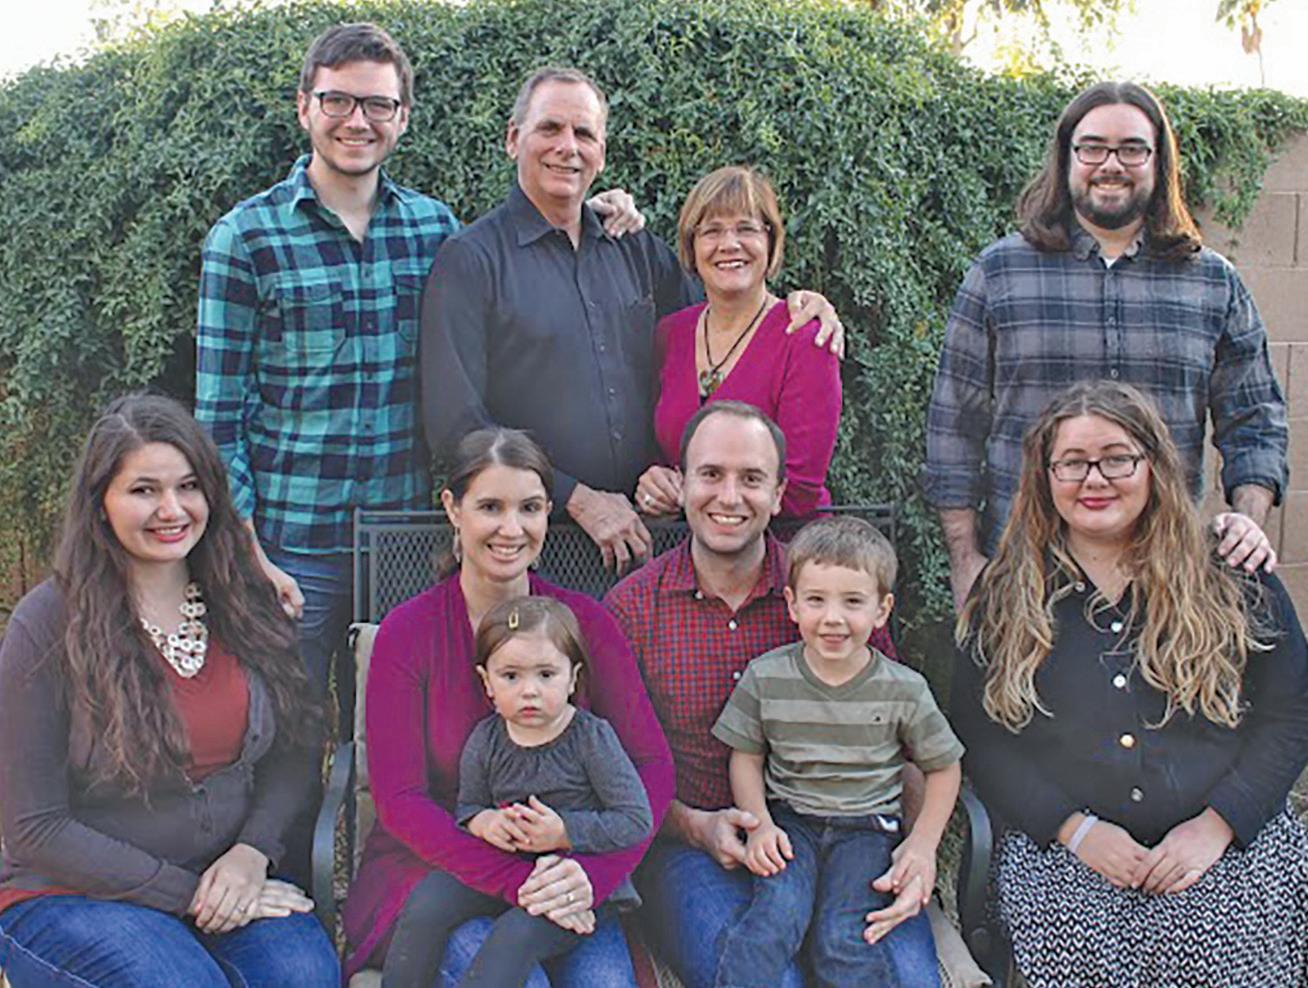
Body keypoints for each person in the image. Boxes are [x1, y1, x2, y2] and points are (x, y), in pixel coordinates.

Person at [197, 28, 642, 689]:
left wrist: (598, 208)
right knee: (285, 729)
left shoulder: (432, 230)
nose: (358, 121)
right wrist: (245, 548)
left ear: (402, 117)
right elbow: (218, 417)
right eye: (337, 100)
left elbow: (527, 250)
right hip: (292, 544)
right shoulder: (245, 238)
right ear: (304, 107)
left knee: (395, 720)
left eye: (378, 104)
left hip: (405, 541)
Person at [951, 380, 1308, 988]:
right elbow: (980, 737)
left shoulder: (1230, 574)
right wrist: (1074, 830)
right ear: (1045, 476)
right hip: (1066, 849)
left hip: (1225, 842)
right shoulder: (1005, 594)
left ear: (1153, 465)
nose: (1094, 479)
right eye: (1072, 462)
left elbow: (1291, 712)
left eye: (1117, 458)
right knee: (1080, 946)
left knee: (1213, 944)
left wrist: (1218, 825)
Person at [422, 67, 845, 574]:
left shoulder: (635, 248)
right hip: (530, 548)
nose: (567, 147)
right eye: (550, 128)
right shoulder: (471, 261)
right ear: (513, 139)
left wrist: (802, 303)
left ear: (601, 152)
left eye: (584, 134)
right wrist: (574, 497)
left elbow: (728, 318)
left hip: (651, 545)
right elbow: (457, 426)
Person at [0, 394, 338, 988]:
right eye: (144, 490)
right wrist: (186, 894)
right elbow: (36, 826)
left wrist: (252, 853)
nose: (172, 509)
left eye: (188, 487)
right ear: (100, 503)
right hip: (71, 893)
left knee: (302, 975)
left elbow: (296, 748)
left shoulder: (246, 601)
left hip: (227, 874)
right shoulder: (47, 624)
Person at [924, 80, 1286, 610]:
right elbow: (954, 424)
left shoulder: (1213, 282)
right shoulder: (999, 273)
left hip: (1166, 576)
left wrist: (1247, 521)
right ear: (1066, 158)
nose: (1110, 164)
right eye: (1092, 147)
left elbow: (1255, 419)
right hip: (1025, 574)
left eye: (1132, 149)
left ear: (1159, 162)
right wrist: (964, 561)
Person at [604, 401, 922, 988]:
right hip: (696, 852)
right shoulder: (632, 610)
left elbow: (907, 746)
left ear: (777, 495)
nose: (729, 496)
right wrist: (694, 827)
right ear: (683, 484)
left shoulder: (831, 600)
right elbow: (611, 772)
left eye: (751, 478)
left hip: (847, 839)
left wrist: (919, 850)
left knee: (907, 978)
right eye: (711, 474)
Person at [341, 428, 675, 986]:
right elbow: (400, 801)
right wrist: (514, 881)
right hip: (437, 864)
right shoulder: (409, 633)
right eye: (490, 507)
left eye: (530, 508)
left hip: (568, 863)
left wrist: (589, 877)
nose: (512, 528)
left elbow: (652, 767)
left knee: (605, 983)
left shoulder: (587, 625)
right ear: (453, 508)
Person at [712, 516, 963, 987]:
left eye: (852, 601)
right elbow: (745, 756)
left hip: (867, 831)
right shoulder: (766, 676)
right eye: (816, 600)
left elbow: (945, 768)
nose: (832, 618)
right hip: (791, 823)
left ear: (882, 610)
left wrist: (923, 843)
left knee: (841, 938)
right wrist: (759, 823)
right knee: (773, 921)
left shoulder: (904, 689)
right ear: (792, 604)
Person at [383, 595, 653, 988]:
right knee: (429, 899)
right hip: (504, 870)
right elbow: (469, 806)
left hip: (571, 881)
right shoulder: (486, 740)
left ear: (573, 678)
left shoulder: (591, 739)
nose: (529, 691)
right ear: (487, 682)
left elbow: (635, 820)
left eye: (546, 674)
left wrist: (565, 832)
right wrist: (486, 822)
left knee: (513, 935)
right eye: (511, 676)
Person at [637, 166, 841, 520]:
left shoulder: (805, 338)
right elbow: (662, 454)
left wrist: (695, 497)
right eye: (712, 231)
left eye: (746, 229)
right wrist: (656, 483)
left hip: (785, 544)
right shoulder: (671, 335)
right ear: (691, 246)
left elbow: (799, 489)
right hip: (688, 543)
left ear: (771, 241)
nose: (729, 244)